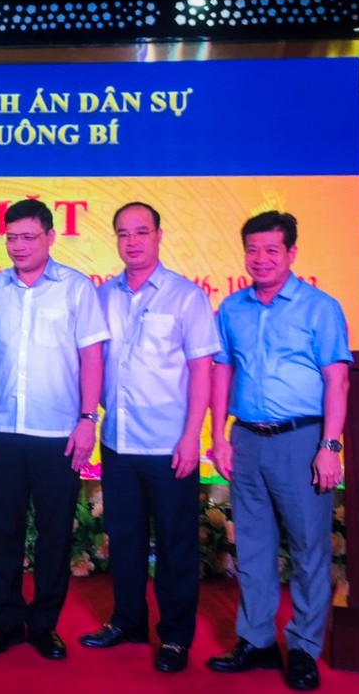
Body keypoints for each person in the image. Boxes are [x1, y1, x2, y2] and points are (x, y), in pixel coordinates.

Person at [208, 211, 351, 691]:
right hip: (247, 438)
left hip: (302, 440)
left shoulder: (319, 308)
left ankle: (304, 648)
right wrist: (218, 436)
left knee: (309, 549)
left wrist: (330, 445)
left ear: (292, 253)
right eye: (252, 249)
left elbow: (337, 380)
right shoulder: (232, 308)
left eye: (272, 249)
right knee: (253, 547)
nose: (261, 259)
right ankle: (257, 641)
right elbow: (223, 372)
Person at [77, 202, 220, 673]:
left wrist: (192, 436)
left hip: (169, 445)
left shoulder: (186, 297)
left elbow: (202, 371)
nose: (132, 241)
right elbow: (90, 362)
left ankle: (175, 637)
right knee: (125, 539)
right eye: (123, 233)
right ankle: (128, 621)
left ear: (159, 235)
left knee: (176, 544)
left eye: (141, 232)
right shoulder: (102, 296)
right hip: (118, 441)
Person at [0, 198, 109, 661]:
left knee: (55, 533)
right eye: (11, 238)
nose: (19, 246)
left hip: (58, 434)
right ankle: (7, 621)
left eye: (28, 237)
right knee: (2, 531)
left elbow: (92, 358)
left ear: (50, 237)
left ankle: (44, 625)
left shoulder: (76, 288)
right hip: (1, 430)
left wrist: (87, 419)